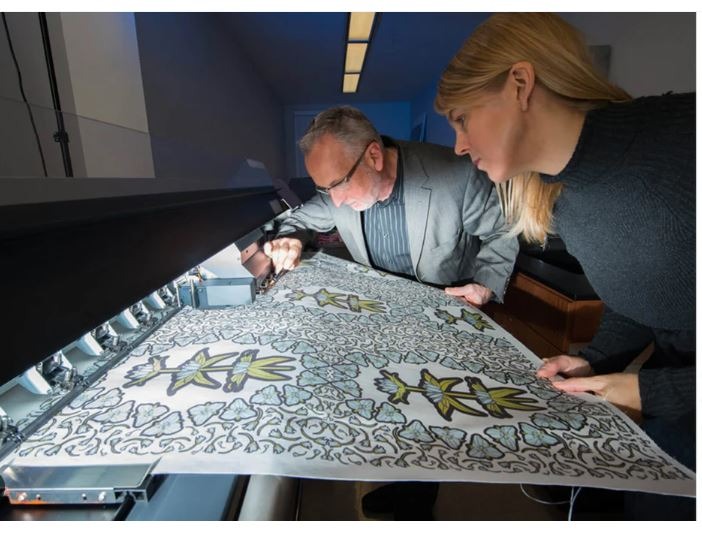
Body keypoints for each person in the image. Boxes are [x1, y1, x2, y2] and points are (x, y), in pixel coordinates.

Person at [434, 12, 694, 519]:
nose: (459, 145)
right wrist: (596, 358)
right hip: (673, 421)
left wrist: (651, 390)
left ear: (520, 84)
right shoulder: (561, 199)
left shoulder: (685, 141)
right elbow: (648, 294)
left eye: (461, 118)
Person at [265, 106, 518, 307]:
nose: (336, 201)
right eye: (325, 189)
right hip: (379, 303)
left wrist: (485, 285)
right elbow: (297, 222)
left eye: (339, 184)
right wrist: (291, 241)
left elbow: (502, 231)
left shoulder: (457, 175)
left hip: (447, 301)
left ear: (374, 156)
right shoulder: (335, 194)